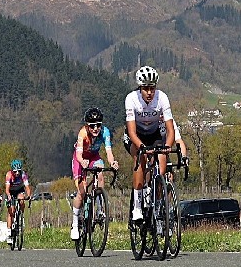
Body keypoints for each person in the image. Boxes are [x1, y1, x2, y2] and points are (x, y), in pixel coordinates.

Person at [124, 65, 177, 224]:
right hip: (136, 135)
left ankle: (158, 205)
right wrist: (141, 147)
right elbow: (131, 131)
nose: (149, 92)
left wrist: (168, 146)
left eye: (152, 88)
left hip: (154, 134)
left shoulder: (162, 98)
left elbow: (170, 129)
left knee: (161, 165)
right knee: (139, 160)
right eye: (146, 89)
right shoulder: (131, 99)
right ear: (140, 88)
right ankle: (137, 206)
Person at [71, 107, 119, 240]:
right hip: (80, 159)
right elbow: (79, 155)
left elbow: (108, 152)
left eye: (98, 125)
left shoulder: (105, 132)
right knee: (81, 192)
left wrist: (112, 162)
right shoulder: (82, 133)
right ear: (87, 126)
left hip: (94, 157)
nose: (96, 128)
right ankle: (75, 224)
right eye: (92, 126)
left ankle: (99, 209)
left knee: (100, 173)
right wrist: (82, 162)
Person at [4, 158, 32, 245]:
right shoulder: (9, 175)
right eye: (15, 171)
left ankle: (21, 215)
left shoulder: (23, 175)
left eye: (18, 171)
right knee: (11, 212)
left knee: (22, 200)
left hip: (19, 190)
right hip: (11, 192)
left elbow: (27, 187)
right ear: (12, 170)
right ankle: (9, 233)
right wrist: (9, 196)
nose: (17, 173)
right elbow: (7, 189)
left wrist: (29, 195)